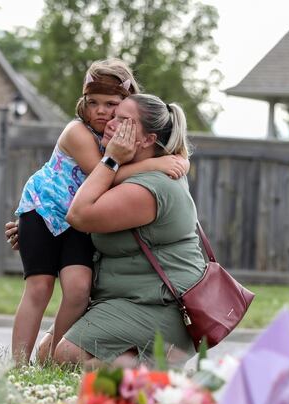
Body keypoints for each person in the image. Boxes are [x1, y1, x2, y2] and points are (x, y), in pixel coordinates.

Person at [11, 60, 189, 366]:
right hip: (43, 211)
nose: (102, 112)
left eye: (113, 106)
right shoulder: (77, 132)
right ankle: (16, 364)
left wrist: (177, 161)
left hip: (78, 223)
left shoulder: (129, 137)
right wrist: (153, 165)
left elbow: (172, 147)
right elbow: (102, 174)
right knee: (39, 288)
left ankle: (57, 360)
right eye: (92, 103)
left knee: (78, 290)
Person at [47, 93, 205, 369]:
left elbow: (79, 214)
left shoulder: (148, 187)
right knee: (45, 351)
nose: (109, 122)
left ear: (147, 140)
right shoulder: (131, 174)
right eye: (113, 115)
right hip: (124, 300)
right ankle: (143, 365)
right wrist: (30, 225)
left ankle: (154, 372)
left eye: (123, 120)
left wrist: (110, 160)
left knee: (65, 355)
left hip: (163, 308)